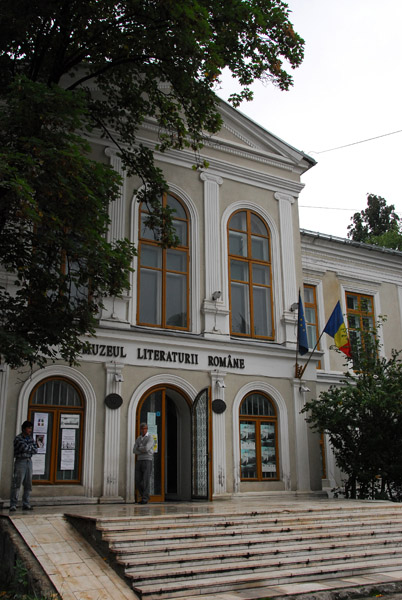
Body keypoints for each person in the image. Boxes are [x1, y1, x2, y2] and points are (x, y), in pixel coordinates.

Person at [9, 420, 38, 512]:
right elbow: (23, 448)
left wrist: (30, 448)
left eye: (31, 428)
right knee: (17, 483)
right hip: (20, 461)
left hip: (29, 461)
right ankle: (13, 504)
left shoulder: (30, 438)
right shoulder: (18, 438)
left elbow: (35, 450)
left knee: (28, 484)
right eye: (29, 428)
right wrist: (30, 448)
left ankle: (26, 503)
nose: (30, 430)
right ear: (24, 429)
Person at [133, 422, 154, 504]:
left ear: (147, 429)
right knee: (138, 480)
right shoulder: (138, 438)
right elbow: (134, 450)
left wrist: (139, 448)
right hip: (139, 460)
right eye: (142, 428)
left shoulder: (150, 438)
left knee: (145, 480)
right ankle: (144, 495)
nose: (143, 430)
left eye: (145, 428)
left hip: (147, 460)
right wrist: (142, 449)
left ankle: (145, 498)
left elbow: (147, 448)